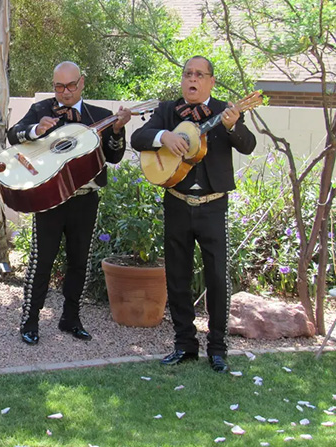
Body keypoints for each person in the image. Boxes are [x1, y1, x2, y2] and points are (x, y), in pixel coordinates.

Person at [130, 56, 256, 373]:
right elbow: (137, 138)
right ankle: (185, 345)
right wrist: (164, 137)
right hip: (177, 202)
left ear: (211, 81)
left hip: (213, 205)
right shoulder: (168, 111)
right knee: (178, 277)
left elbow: (248, 145)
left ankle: (217, 349)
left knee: (216, 277)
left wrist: (233, 126)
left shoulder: (225, 110)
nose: (193, 80)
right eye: (188, 74)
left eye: (200, 75)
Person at [7, 61, 131, 345]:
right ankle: (30, 320)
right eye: (59, 87)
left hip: (85, 199)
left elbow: (114, 157)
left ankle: (71, 318)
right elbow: (13, 134)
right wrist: (37, 130)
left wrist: (117, 130)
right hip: (50, 199)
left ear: (82, 82)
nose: (64, 92)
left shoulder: (99, 115)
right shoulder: (42, 110)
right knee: (42, 261)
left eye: (71, 86)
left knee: (80, 262)